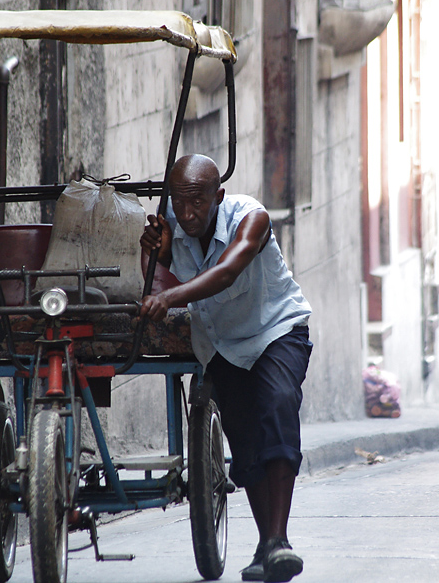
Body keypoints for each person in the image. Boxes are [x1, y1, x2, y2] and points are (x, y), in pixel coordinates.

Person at [140, 154, 313, 583]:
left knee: (277, 404)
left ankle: (279, 540)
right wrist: (157, 259)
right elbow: (157, 276)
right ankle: (267, 545)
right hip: (224, 345)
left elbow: (227, 271)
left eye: (197, 201)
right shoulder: (173, 229)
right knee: (243, 434)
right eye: (179, 203)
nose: (187, 213)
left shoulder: (250, 217)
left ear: (218, 195)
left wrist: (172, 297)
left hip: (276, 330)